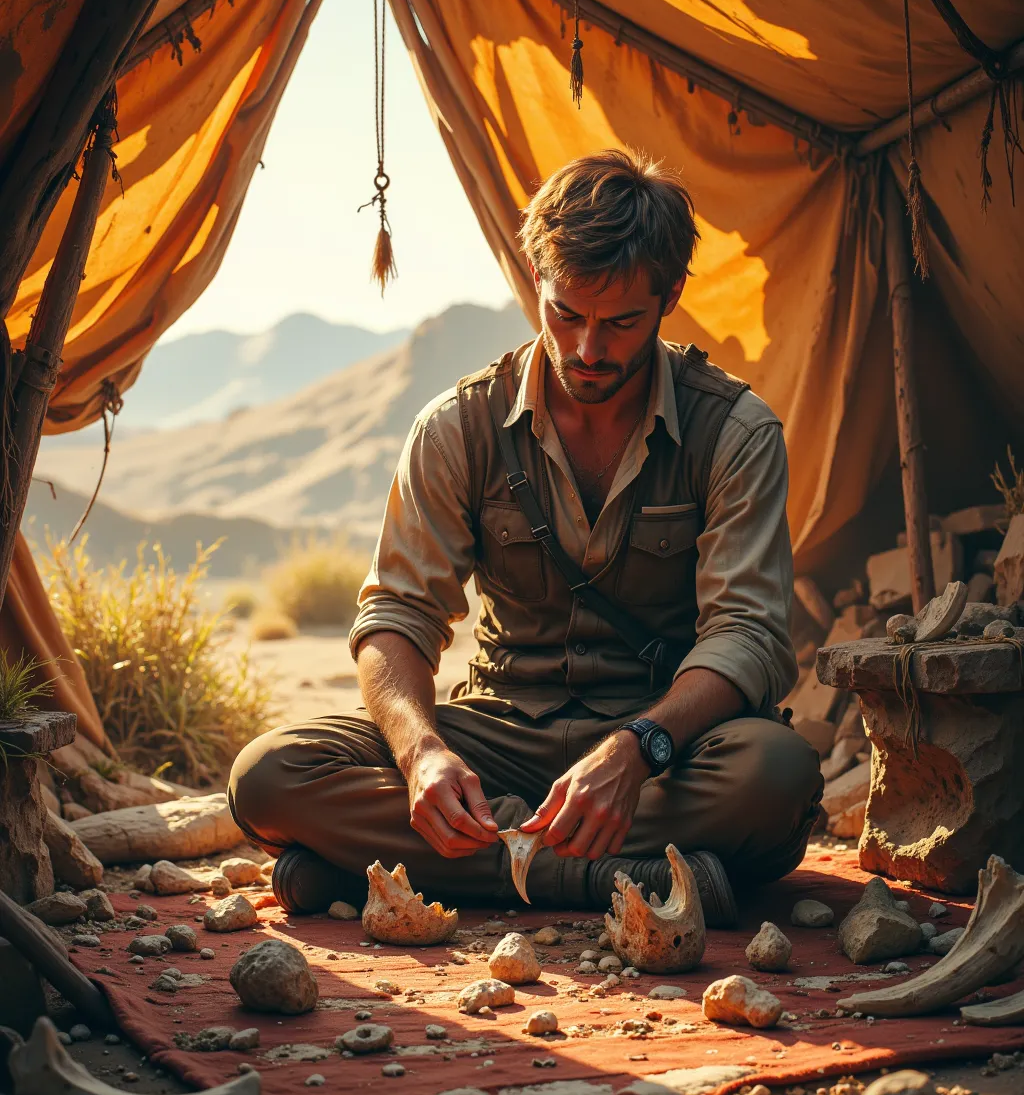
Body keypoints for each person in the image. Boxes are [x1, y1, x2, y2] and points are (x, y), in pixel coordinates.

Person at [229, 149, 822, 926]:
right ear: (535, 283)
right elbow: (396, 618)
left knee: (776, 776)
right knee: (268, 774)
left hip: (661, 742)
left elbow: (747, 636)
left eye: (620, 323)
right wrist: (422, 755)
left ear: (670, 296)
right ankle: (609, 876)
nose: (588, 350)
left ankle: (393, 867)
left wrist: (636, 749)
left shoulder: (736, 432)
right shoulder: (456, 427)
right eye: (565, 314)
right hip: (499, 730)